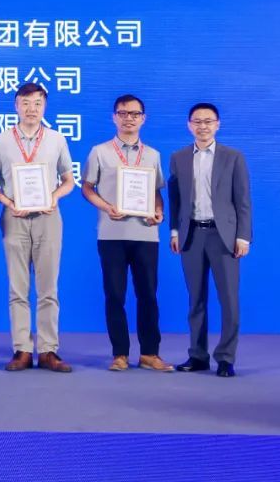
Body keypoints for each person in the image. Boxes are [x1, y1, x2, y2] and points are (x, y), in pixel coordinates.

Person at [81, 95, 172, 373]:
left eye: (134, 114)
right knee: (115, 295)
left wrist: (159, 211)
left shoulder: (153, 155)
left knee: (148, 295)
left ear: (143, 118)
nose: (128, 118)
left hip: (146, 234)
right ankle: (119, 354)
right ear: (114, 117)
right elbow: (87, 188)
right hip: (111, 234)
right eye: (123, 113)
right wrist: (106, 207)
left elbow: (156, 192)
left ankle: (150, 353)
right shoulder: (100, 151)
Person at [0, 82, 76, 373]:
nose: (31, 109)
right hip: (14, 218)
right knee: (18, 288)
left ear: (44, 107)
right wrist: (8, 201)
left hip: (48, 218)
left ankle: (49, 350)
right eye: (25, 103)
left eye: (37, 103)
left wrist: (54, 196)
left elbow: (69, 180)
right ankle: (22, 350)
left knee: (48, 288)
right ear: (16, 106)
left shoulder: (56, 139)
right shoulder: (1, 141)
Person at [168, 102, 252, 378]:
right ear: (188, 125)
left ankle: (226, 358)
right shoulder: (179, 157)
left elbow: (243, 201)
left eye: (208, 121)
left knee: (229, 300)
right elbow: (175, 200)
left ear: (218, 125)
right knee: (195, 299)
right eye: (197, 121)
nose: (202, 126)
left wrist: (243, 236)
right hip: (191, 235)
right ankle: (198, 355)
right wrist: (174, 232)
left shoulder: (233, 157)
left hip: (223, 236)